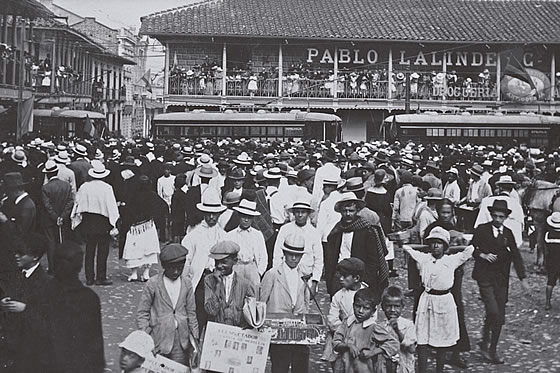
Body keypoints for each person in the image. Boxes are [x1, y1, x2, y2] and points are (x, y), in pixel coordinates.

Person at [404, 227, 474, 373]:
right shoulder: (424, 258)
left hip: (445, 302)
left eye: (439, 243)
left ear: (445, 246)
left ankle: (439, 370)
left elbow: (469, 250)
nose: (436, 246)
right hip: (427, 300)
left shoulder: (452, 260)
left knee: (442, 340)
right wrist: (422, 246)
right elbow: (407, 248)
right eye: (433, 242)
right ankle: (422, 370)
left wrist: (454, 247)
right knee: (422, 338)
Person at [471, 199, 529, 364]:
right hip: (484, 278)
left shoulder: (509, 233)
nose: (497, 219)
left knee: (499, 316)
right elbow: (472, 247)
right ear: (491, 215)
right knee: (493, 312)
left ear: (505, 217)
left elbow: (516, 256)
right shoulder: (482, 230)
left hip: (501, 280)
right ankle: (486, 344)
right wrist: (482, 255)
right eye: (495, 216)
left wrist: (522, 278)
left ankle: (490, 348)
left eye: (501, 217)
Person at [45, 240, 105, 373]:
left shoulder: (42, 292)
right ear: (79, 267)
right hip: (78, 365)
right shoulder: (89, 298)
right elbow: (95, 344)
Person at [137, 243, 199, 365]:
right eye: (172, 268)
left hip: (181, 339)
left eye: (180, 268)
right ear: (164, 266)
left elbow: (191, 312)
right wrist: (146, 336)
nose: (176, 272)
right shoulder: (153, 283)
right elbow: (143, 312)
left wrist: (195, 337)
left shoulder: (187, 284)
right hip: (158, 337)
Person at [0, 234, 51, 373]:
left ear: (35, 257)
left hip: (31, 349)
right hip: (9, 343)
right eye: (16, 252)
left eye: (22, 254)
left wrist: (26, 309)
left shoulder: (46, 282)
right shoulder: (14, 275)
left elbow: (50, 318)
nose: (17, 256)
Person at [259, 233, 310, 373]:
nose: (294, 258)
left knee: (300, 366)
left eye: (297, 255)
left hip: (298, 330)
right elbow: (262, 302)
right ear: (284, 253)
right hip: (278, 330)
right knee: (280, 366)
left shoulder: (303, 275)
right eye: (290, 254)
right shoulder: (273, 274)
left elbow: (306, 302)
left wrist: (304, 320)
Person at [325, 193, 389, 298]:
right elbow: (330, 260)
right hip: (339, 276)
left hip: (359, 278)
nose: (348, 214)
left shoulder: (367, 231)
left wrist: (365, 282)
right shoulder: (336, 231)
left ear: (357, 211)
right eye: (345, 211)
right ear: (340, 212)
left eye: (351, 211)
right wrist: (331, 281)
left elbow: (373, 261)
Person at [182, 188, 227, 332]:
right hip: (201, 281)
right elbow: (187, 261)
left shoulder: (223, 235)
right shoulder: (193, 235)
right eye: (209, 214)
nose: (212, 217)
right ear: (204, 213)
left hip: (219, 280)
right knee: (198, 318)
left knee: (216, 320)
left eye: (215, 214)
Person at [71, 160, 119, 286]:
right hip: (102, 222)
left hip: (88, 221)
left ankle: (89, 277)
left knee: (90, 250)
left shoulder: (85, 187)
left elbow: (77, 203)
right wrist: (113, 222)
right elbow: (111, 207)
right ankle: (100, 277)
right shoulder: (107, 188)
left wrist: (77, 218)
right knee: (103, 251)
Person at [332, 288, 399, 373]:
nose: (360, 311)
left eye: (366, 308)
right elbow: (335, 342)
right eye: (358, 306)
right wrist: (348, 346)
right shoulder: (347, 323)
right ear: (353, 305)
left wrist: (373, 352)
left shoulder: (373, 327)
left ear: (373, 311)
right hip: (345, 368)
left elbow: (394, 344)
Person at [323, 258, 369, 367]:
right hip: (342, 339)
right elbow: (332, 319)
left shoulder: (368, 295)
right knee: (340, 365)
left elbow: (371, 319)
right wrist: (344, 331)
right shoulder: (338, 296)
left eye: (345, 276)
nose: (341, 279)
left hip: (362, 339)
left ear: (356, 278)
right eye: (340, 275)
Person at [273, 200, 323, 297]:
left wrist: (315, 282)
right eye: (297, 212)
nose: (300, 215)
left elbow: (318, 259)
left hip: (305, 278)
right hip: (286, 277)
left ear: (308, 214)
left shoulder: (314, 233)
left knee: (303, 307)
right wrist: (277, 276)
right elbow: (277, 253)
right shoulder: (285, 229)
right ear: (293, 213)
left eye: (303, 212)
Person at [121, 175, 164, 282]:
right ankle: (146, 273)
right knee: (149, 249)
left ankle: (134, 273)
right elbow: (163, 207)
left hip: (135, 227)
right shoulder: (153, 196)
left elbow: (126, 211)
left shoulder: (132, 196)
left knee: (135, 250)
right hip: (148, 226)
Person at [204, 241, 257, 327]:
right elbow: (211, 311)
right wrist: (217, 285)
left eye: (224, 262)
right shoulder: (209, 280)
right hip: (216, 331)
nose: (219, 266)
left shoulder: (245, 284)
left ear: (235, 261)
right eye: (217, 262)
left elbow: (251, 317)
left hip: (236, 334)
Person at [40, 160, 74, 273]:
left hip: (49, 220)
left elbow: (47, 205)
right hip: (63, 218)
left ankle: (52, 268)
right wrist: (62, 216)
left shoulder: (45, 188)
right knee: (62, 241)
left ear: (47, 174)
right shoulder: (66, 186)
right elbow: (70, 202)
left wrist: (55, 217)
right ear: (57, 172)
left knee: (51, 242)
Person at [226, 199, 268, 284]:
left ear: (253, 218)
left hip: (252, 268)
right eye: (243, 216)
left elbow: (263, 256)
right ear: (239, 216)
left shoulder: (257, 235)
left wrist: (259, 272)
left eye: (249, 217)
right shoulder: (230, 235)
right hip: (236, 267)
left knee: (253, 295)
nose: (246, 220)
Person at [379, 286, 416, 373]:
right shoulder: (380, 326)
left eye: (396, 306)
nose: (392, 310)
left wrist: (397, 331)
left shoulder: (408, 325)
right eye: (388, 306)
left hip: (403, 368)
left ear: (402, 306)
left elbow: (412, 349)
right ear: (383, 307)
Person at [545, 212, 560, 310]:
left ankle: (547, 302)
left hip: (551, 261)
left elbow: (546, 250)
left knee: (550, 282)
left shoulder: (548, 235)